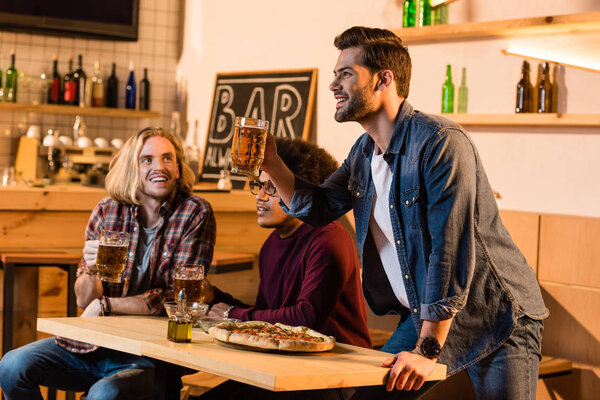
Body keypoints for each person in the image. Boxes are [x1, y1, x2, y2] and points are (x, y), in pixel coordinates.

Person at [260, 27, 548, 399]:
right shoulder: (364, 152)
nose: (334, 84)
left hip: (495, 315)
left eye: (345, 73)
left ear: (384, 79)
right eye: (335, 74)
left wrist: (427, 350)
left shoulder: (441, 143)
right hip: (424, 314)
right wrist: (272, 163)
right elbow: (317, 208)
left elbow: (448, 249)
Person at [0, 127, 216, 400]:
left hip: (147, 354)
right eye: (147, 159)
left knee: (105, 393)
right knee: (11, 366)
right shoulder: (107, 209)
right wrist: (90, 270)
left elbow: (178, 298)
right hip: (94, 344)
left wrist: (107, 305)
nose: (158, 167)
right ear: (132, 167)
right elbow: (84, 299)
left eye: (167, 158)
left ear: (178, 167)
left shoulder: (194, 212)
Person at [198, 137, 372, 399]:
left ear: (301, 189)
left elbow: (305, 319)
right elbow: (269, 315)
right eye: (258, 186)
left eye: (272, 189)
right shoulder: (271, 244)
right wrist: (215, 298)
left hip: (335, 376)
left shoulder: (328, 238)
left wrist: (231, 315)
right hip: (287, 367)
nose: (260, 196)